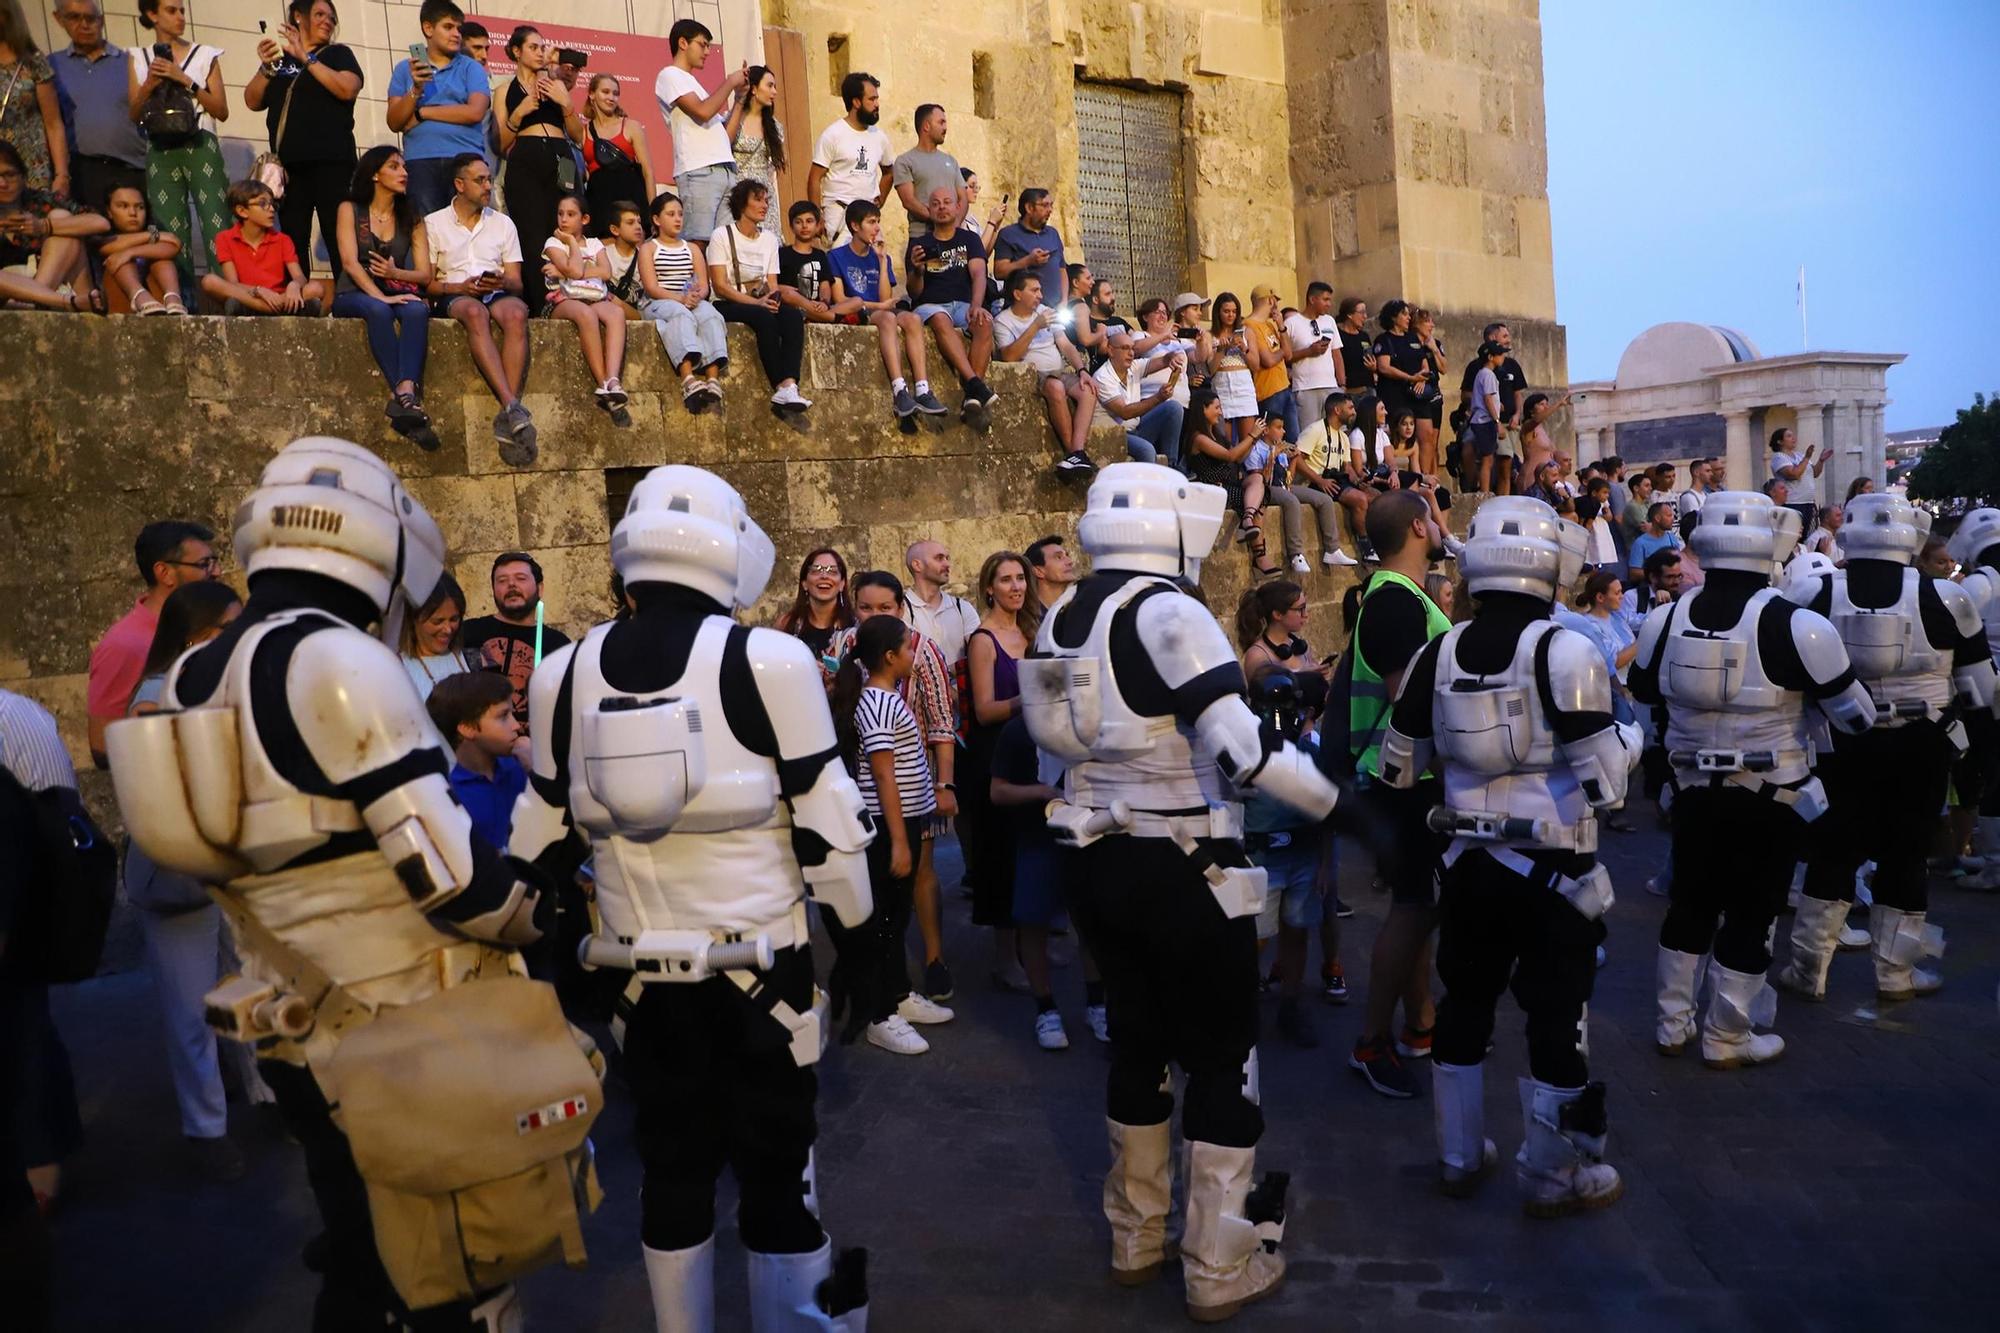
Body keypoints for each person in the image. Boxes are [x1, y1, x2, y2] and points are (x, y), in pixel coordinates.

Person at [110, 436, 588, 1332]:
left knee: (359, 1253)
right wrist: (539, 910)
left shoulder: (191, 673)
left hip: (285, 1011)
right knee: (457, 1276)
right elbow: (455, 880)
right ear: (382, 542)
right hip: (405, 1022)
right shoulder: (339, 659)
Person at [506, 465, 875, 1330]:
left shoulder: (562, 672)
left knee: (671, 1172)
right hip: (763, 972)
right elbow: (830, 829)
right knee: (778, 1175)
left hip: (634, 976)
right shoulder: (770, 659)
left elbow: (539, 845)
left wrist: (549, 965)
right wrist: (863, 951)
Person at [1020, 461, 1340, 1318]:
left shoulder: (1063, 612)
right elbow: (1245, 752)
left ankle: (1136, 1234)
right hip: (1184, 864)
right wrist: (1335, 799)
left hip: (1095, 858)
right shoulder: (1170, 610)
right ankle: (1218, 1263)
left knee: (1135, 1042)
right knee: (1223, 1057)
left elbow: (1056, 745)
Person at [1377, 495, 1639, 1215]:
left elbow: (1399, 766)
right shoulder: (1567, 650)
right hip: (1556, 874)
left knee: (1465, 1004)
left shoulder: (1440, 649)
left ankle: (1459, 1155)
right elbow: (1609, 785)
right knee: (1557, 1018)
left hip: (1467, 865)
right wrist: (1635, 739)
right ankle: (1554, 1175)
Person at [1626, 492, 1875, 1069]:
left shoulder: (1665, 619)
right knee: (1751, 909)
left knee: (1689, 902)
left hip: (1691, 791)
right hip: (1773, 796)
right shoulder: (1799, 626)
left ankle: (1672, 1024)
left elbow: (1641, 690)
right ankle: (1727, 1035)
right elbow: (1853, 715)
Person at [1778, 493, 1997, 1002]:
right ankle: (1894, 974)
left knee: (1833, 850)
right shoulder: (1947, 597)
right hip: (1923, 745)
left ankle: (1809, 970)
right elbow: (1980, 689)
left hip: (1841, 744)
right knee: (1906, 854)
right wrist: (1980, 755)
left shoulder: (1816, 594)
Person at [122, 579, 253, 1182]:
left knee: (243, 986)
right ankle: (207, 1130)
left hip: (227, 863)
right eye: (230, 625)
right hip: (184, 869)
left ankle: (257, 1096)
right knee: (191, 1007)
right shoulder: (157, 696)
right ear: (198, 632)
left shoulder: (211, 683)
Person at [1340, 490, 1454, 1099]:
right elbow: (1412, 700)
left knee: (1419, 907)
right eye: (1434, 518)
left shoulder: (1399, 597)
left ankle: (1420, 1026)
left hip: (1406, 778)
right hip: (1400, 780)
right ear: (1418, 526)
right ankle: (1370, 1040)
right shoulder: (1393, 601)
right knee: (1412, 907)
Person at [829, 572, 958, 1003]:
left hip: (907, 791)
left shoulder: (922, 651)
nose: (873, 614)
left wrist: (944, 782)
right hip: (885, 802)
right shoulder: (855, 667)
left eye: (884, 607)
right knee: (886, 901)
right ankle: (886, 995)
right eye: (865, 607)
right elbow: (880, 769)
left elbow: (941, 721)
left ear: (899, 608)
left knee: (913, 884)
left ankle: (926, 965)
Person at [423, 153, 536, 463]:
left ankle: (508, 411)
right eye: (480, 180)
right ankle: (512, 403)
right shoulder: (434, 223)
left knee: (516, 312)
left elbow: (517, 282)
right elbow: (428, 283)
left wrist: (499, 281)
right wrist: (461, 287)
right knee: (475, 313)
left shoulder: (502, 223)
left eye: (488, 179)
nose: (488, 186)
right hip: (456, 291)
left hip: (494, 290)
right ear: (459, 185)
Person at [964, 551, 1037, 990]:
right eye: (1006, 579)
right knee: (1002, 860)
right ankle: (1005, 960)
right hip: (996, 757)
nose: (1016, 586)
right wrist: (1032, 695)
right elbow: (985, 709)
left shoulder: (1032, 631)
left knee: (1032, 856)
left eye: (1020, 578)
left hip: (1034, 752)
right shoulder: (982, 640)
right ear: (989, 588)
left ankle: (1033, 951)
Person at [246, 0, 361, 276]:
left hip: (332, 163)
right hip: (289, 167)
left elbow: (347, 88)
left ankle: (348, 298)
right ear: (298, 16)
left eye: (332, 17)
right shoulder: (281, 61)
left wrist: (307, 57)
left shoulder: (337, 54)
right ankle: (297, 298)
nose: (328, 21)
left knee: (339, 235)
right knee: (292, 238)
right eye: (320, 14)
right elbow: (252, 100)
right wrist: (266, 67)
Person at [86, 519, 214, 767]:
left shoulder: (200, 629)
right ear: (164, 573)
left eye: (213, 562)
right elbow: (102, 745)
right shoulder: (123, 645)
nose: (216, 572)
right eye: (203, 564)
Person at [334, 145, 436, 447]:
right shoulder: (350, 209)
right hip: (353, 291)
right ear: (375, 174)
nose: (403, 173)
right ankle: (407, 399)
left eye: (404, 167)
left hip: (394, 288)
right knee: (378, 311)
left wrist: (396, 276)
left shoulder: (412, 217)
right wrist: (382, 296)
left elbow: (424, 274)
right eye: (394, 167)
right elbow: (350, 263)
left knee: (417, 310)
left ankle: (403, 392)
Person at [126, 0, 229, 297]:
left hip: (200, 140)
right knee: (170, 228)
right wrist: (150, 83)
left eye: (182, 10)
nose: (180, 17)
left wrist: (186, 80)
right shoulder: (137, 57)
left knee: (216, 221)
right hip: (159, 144)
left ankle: (230, 298)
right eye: (172, 10)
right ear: (152, 14)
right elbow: (133, 114)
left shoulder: (205, 54)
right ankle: (183, 300)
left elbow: (221, 110)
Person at [828, 198, 943, 419]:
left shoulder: (881, 257)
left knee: (913, 319)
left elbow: (885, 298)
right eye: (871, 222)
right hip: (857, 312)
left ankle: (922, 389)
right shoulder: (836, 256)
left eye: (878, 221)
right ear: (854, 226)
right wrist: (878, 306)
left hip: (879, 308)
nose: (877, 228)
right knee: (887, 319)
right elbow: (840, 298)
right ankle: (899, 389)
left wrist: (881, 261)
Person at [494, 25, 578, 314]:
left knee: (565, 229)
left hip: (561, 159)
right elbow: (500, 143)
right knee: (531, 235)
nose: (540, 52)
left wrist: (566, 104)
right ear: (516, 51)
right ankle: (538, 304)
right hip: (526, 160)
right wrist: (519, 113)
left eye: (543, 47)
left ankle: (571, 298)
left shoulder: (556, 86)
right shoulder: (505, 90)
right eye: (533, 47)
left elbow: (579, 135)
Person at [710, 178, 812, 412]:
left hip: (759, 299)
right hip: (728, 302)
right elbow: (720, 286)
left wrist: (772, 300)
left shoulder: (769, 239)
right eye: (758, 200)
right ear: (742, 204)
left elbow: (772, 283)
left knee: (792, 317)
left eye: (766, 200)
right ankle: (779, 384)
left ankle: (790, 384)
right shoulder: (721, 235)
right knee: (763, 317)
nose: (764, 205)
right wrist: (758, 303)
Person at [905, 183, 999, 429]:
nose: (942, 208)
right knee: (939, 318)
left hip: (963, 304)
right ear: (929, 209)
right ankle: (974, 383)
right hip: (931, 305)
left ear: (958, 207)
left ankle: (971, 396)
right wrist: (917, 270)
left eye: (947, 202)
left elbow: (979, 274)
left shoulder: (969, 240)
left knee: (984, 322)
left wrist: (977, 305)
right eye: (935, 204)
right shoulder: (919, 243)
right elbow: (914, 291)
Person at [384, 0, 490, 218]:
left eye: (459, 29)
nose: (456, 34)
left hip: (465, 160)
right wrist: (415, 89)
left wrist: (422, 113)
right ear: (428, 28)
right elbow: (394, 122)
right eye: (448, 27)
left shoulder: (471, 68)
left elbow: (475, 111)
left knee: (468, 228)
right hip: (421, 160)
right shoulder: (406, 69)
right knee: (426, 231)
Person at [539, 192, 632, 425]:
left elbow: (605, 272)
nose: (564, 219)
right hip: (563, 301)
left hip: (592, 296)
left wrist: (571, 269)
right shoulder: (554, 243)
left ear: (585, 219)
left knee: (616, 313)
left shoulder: (594, 244)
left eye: (571, 214)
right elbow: (574, 272)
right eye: (560, 214)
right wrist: (571, 245)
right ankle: (602, 383)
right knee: (586, 314)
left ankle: (612, 379)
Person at [995, 270, 1099, 474]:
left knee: (1088, 390)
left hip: (1058, 371)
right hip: (1035, 375)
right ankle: (1074, 453)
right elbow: (1009, 356)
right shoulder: (1003, 320)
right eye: (1034, 290)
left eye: (1040, 290)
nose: (1040, 295)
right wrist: (1035, 326)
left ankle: (1077, 452)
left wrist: (1082, 370)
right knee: (1055, 387)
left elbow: (1065, 344)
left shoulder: (1045, 311)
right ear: (1017, 294)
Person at [50, 0, 148, 211]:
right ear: (59, 19)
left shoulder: (131, 62)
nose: (84, 25)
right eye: (74, 17)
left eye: (90, 18)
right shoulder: (51, 66)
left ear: (101, 21)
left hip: (132, 170)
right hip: (82, 173)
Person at [635, 190, 728, 409]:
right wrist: (680, 299)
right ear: (657, 219)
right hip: (660, 302)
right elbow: (651, 287)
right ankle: (688, 378)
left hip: (688, 300)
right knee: (680, 314)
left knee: (710, 315)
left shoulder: (692, 248)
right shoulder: (649, 248)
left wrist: (697, 296)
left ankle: (712, 378)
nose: (677, 219)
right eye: (670, 214)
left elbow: (703, 284)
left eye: (680, 214)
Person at [1946, 507, 2000, 885]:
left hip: (1988, 691)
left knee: (1993, 772)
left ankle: (1996, 864)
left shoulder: (1979, 584)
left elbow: (1955, 637)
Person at [655, 19, 745, 243]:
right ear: (683, 43)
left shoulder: (692, 82)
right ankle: (696, 280)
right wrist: (730, 81)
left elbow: (726, 136)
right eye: (702, 44)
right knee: (699, 241)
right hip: (698, 170)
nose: (707, 51)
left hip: (725, 169)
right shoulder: (670, 75)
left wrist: (740, 99)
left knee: (725, 245)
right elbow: (702, 112)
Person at [462, 551, 570, 726]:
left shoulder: (558, 645)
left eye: (521, 578)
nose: (511, 585)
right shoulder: (468, 633)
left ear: (540, 588)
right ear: (493, 590)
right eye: (502, 581)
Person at [1180, 388, 1279, 578]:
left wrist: (1255, 438)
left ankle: (1247, 520)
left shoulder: (1217, 435)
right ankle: (1260, 557)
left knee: (1257, 479)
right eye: (1216, 407)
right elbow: (1230, 455)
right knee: (1256, 502)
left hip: (1231, 484)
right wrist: (1251, 435)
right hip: (1214, 488)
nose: (1220, 412)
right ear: (1203, 409)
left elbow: (1240, 459)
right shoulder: (1198, 438)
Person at [425, 669, 526, 853]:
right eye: (503, 716)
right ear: (467, 728)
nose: (516, 725)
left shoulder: (520, 767)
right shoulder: (448, 795)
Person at [198, 176, 327, 313]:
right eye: (263, 204)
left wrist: (294, 285)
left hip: (279, 297)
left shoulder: (283, 240)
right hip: (249, 296)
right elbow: (233, 284)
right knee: (209, 281)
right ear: (242, 211)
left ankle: (273, 307)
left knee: (316, 288)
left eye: (272, 204)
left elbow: (299, 277)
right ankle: (267, 308)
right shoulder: (224, 238)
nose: (271, 209)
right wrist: (258, 290)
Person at [808, 70, 888, 245]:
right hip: (839, 215)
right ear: (856, 102)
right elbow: (814, 178)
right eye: (872, 99)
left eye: (877, 99)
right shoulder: (833, 134)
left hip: (868, 217)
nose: (877, 104)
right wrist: (817, 217)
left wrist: (879, 199)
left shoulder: (880, 137)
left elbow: (889, 171)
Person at [1289, 392, 1368, 567]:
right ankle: (1365, 546)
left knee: (1373, 495)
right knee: (1360, 499)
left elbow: (1347, 467)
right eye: (1350, 408)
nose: (1353, 412)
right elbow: (1297, 458)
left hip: (1335, 480)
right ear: (1337, 410)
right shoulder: (1315, 430)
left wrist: (1359, 481)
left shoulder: (1343, 437)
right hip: (1314, 483)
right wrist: (1319, 480)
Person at [578, 72, 653, 238]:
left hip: (631, 198)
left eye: (615, 93)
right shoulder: (582, 132)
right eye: (605, 92)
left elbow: (648, 172)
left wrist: (652, 212)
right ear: (591, 94)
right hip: (599, 202)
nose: (611, 97)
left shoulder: (631, 126)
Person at [94, 181, 186, 314]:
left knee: (162, 259)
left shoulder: (152, 230)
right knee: (121, 260)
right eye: (123, 206)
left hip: (158, 304)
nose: (133, 213)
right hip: (118, 305)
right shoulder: (104, 236)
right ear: (109, 211)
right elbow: (107, 247)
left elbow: (174, 245)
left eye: (140, 207)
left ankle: (173, 300)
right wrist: (151, 237)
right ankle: (140, 298)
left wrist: (132, 252)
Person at [0, 2, 61, 196]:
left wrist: (62, 175)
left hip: (30, 166)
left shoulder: (32, 61)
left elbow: (53, 123)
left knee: (30, 222)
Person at [776, 547, 855, 674]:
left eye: (832, 571)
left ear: (842, 584)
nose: (824, 576)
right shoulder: (787, 624)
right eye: (816, 570)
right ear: (804, 583)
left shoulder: (854, 626)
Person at [777, 199, 854, 324]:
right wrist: (793, 292)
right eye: (798, 222)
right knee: (789, 295)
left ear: (818, 225)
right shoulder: (782, 253)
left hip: (818, 307)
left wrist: (824, 302)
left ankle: (816, 315)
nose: (804, 226)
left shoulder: (820, 255)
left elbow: (825, 285)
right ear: (791, 226)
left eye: (809, 221)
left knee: (857, 301)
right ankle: (832, 318)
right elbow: (774, 285)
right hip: (793, 305)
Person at [903, 539, 979, 667]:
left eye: (947, 558)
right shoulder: (902, 610)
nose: (947, 564)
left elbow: (980, 654)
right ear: (917, 565)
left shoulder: (962, 609)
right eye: (939, 558)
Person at [892, 101, 964, 234]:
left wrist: (955, 225)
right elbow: (908, 201)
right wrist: (941, 220)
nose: (945, 127)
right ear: (926, 126)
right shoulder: (905, 161)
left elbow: (963, 197)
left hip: (953, 238)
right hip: (922, 235)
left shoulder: (951, 161)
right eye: (941, 122)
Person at [398, 571, 471, 698]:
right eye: (437, 621)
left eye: (454, 619)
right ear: (414, 619)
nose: (448, 629)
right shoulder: (396, 668)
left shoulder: (474, 657)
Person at [990, 186, 1065, 310]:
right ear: (1029, 208)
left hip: (1054, 311)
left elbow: (1062, 270)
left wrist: (1064, 300)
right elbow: (999, 272)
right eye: (1045, 205)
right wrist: (1028, 261)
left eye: (1051, 205)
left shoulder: (1053, 234)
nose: (1050, 210)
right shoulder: (1008, 234)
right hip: (1020, 313)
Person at [1370, 299, 1430, 447]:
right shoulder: (1384, 340)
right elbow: (1384, 367)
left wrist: (1422, 379)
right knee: (1395, 436)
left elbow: (1425, 365)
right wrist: (1410, 377)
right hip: (1394, 395)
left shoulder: (1412, 337)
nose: (1409, 317)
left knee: (1420, 438)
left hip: (1416, 395)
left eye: (1409, 314)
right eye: (1404, 314)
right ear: (1393, 317)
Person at [1284, 281, 1342, 428]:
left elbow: (1337, 354)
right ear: (1312, 299)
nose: (1329, 304)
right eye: (1325, 299)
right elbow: (1286, 356)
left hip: (1331, 386)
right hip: (1305, 388)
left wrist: (1342, 384)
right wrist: (1309, 351)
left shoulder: (1329, 321)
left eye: (1330, 300)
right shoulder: (1291, 323)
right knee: (1309, 433)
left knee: (1335, 432)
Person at [1245, 284, 1295, 442]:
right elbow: (1268, 360)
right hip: (1267, 391)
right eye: (1275, 301)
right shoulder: (1249, 325)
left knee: (1292, 438)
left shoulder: (1269, 325)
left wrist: (1281, 326)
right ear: (1270, 300)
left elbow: (1289, 354)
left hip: (1284, 386)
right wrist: (1282, 352)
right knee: (1271, 440)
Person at [1209, 292, 1259, 445]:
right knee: (1225, 440)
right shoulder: (1210, 335)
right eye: (1226, 311)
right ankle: (1229, 469)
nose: (1231, 315)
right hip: (1222, 385)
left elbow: (1255, 365)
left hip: (1243, 385)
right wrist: (1222, 350)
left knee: (1248, 440)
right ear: (1218, 312)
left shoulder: (1247, 332)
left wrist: (1244, 348)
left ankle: (1247, 468)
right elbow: (1210, 370)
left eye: (1234, 311)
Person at [1407, 307, 1447, 474]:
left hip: (1434, 394)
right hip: (1417, 392)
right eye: (1427, 321)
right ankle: (1420, 475)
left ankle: (1434, 478)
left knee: (1433, 441)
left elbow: (1444, 368)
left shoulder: (1434, 343)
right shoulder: (1409, 342)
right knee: (1421, 439)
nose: (1432, 325)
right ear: (1416, 324)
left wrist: (1434, 349)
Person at [1463, 338, 1505, 493]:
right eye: (1499, 354)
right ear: (1490, 357)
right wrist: (1497, 421)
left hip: (1479, 419)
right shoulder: (1488, 375)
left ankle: (1481, 489)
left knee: (1487, 458)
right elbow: (1487, 398)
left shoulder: (1482, 374)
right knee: (1487, 459)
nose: (1503, 357)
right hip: (1484, 421)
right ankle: (1484, 492)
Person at [1768, 426, 1828, 504]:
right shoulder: (1778, 457)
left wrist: (1821, 460)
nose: (1793, 438)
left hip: (1809, 501)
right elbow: (1794, 474)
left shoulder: (1800, 455)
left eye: (1793, 436)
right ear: (1780, 441)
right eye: (1789, 436)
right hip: (1793, 502)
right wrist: (1807, 457)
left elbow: (1815, 473)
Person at [1025, 533, 1079, 617]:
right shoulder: (1027, 619)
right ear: (1039, 571)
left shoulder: (1080, 610)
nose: (1069, 561)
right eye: (1059, 557)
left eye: (1067, 555)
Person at [1626, 502, 1682, 580]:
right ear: (1657, 518)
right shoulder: (1640, 543)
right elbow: (1634, 573)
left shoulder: (1671, 538)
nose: (1672, 518)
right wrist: (1659, 575)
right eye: (1669, 515)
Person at [1335, 296, 1374, 397]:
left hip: (1367, 389)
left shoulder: (1364, 336)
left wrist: (1373, 367)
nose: (1365, 316)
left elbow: (1370, 358)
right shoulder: (1338, 335)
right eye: (1361, 312)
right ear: (1349, 315)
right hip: (1347, 391)